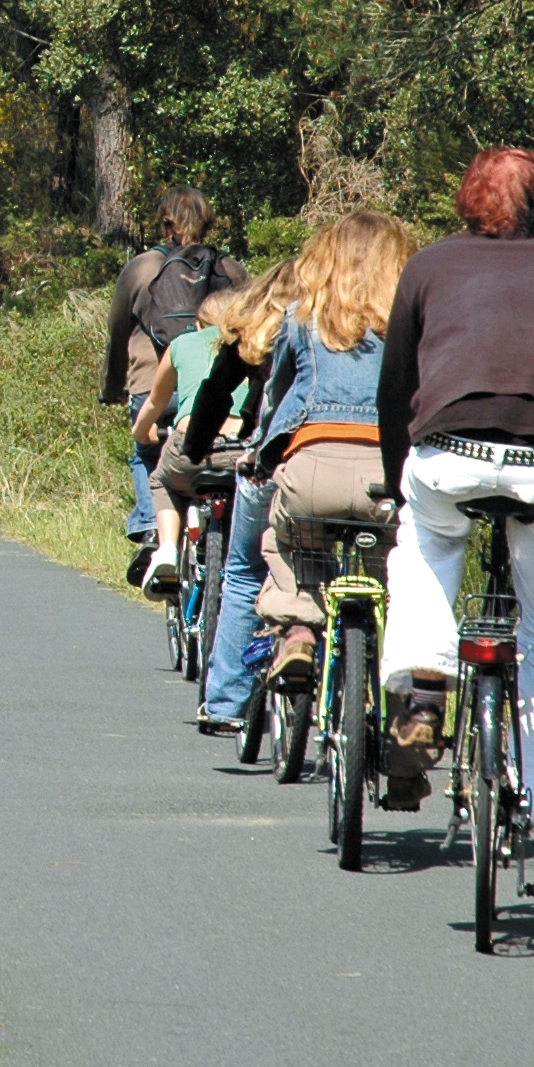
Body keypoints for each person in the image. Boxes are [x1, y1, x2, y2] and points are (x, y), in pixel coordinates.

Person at [377, 148, 534, 900]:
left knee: (423, 548)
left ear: (465, 201)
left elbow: (399, 388)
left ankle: (424, 699)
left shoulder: (427, 266)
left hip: (448, 455)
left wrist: (401, 480)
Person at [249, 213, 420, 783]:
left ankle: (299, 632)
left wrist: (259, 453)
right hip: (385, 473)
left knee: (285, 538)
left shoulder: (301, 318)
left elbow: (277, 399)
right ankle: (401, 743)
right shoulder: (411, 320)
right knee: (398, 584)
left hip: (313, 469)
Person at [100, 187, 247, 575]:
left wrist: (113, 386)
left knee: (145, 453)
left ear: (166, 224)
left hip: (153, 381)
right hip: (222, 382)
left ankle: (153, 531)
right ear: (208, 224)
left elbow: (118, 330)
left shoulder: (142, 267)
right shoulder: (230, 270)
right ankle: (226, 536)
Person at [182, 259, 295, 732]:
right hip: (355, 466)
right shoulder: (347, 324)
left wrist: (194, 447)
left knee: (245, 573)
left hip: (272, 464)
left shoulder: (256, 330)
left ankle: (226, 701)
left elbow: (215, 393)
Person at [132, 286, 244, 587]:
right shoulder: (255, 346)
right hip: (240, 449)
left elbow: (156, 401)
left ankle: (167, 549)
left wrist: (141, 432)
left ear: (199, 323)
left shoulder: (183, 344)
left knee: (161, 481)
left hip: (190, 446)